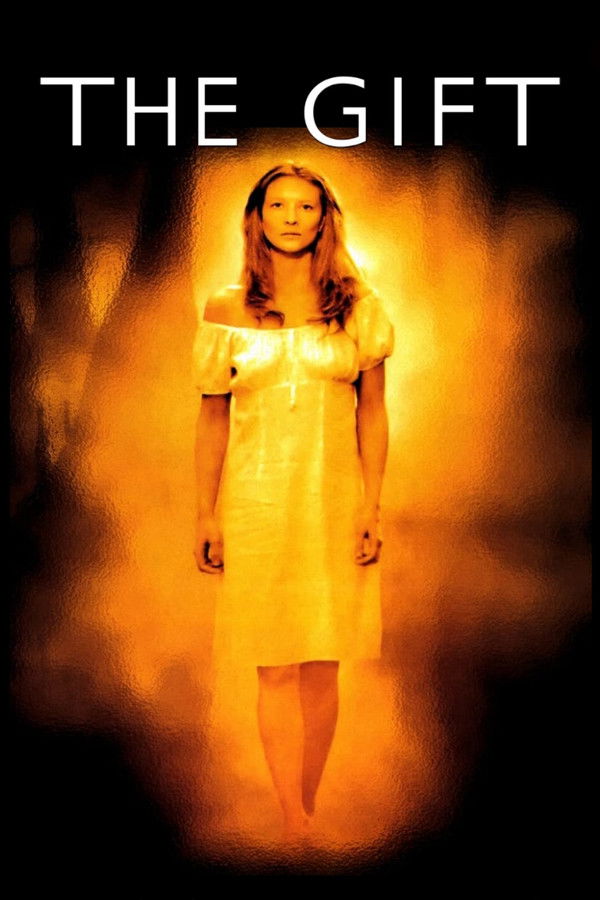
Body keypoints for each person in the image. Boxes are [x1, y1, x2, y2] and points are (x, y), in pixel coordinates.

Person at [192, 162, 394, 846]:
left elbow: (374, 412)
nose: (290, 218)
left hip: (332, 500)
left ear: (324, 218)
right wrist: (206, 513)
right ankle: (293, 821)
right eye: (277, 205)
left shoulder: (357, 306)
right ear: (256, 217)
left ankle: (305, 803)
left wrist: (371, 506)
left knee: (322, 661)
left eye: (305, 207)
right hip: (256, 503)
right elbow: (212, 418)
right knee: (273, 662)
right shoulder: (225, 308)